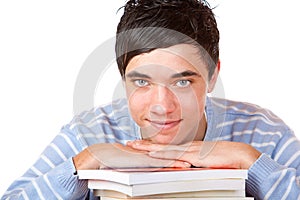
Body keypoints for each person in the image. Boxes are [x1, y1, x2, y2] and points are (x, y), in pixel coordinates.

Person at [2, 0, 300, 199]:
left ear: (212, 77)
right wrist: (85, 163)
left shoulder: (263, 132)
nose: (161, 106)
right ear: (123, 80)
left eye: (182, 82)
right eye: (142, 82)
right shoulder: (90, 132)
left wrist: (250, 162)